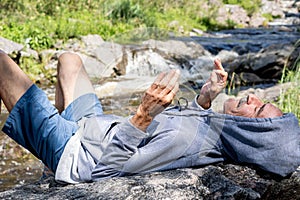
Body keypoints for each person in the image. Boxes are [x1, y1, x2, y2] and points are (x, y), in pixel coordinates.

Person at [0, 51, 299, 184]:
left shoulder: (184, 141)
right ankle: (46, 162)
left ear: (249, 132)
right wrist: (205, 98)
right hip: (92, 127)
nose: (253, 96)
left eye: (257, 109)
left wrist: (143, 115)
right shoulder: (215, 135)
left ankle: (52, 159)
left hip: (76, 152)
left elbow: (104, 173)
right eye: (262, 101)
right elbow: (193, 126)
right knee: (70, 61)